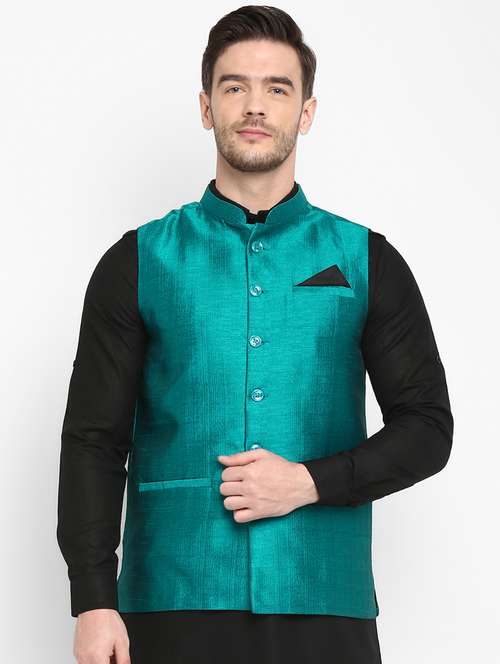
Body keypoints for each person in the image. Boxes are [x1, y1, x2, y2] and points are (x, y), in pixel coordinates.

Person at [56, 5, 454, 663]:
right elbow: (94, 439)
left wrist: (310, 482)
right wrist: (93, 598)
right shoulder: (138, 261)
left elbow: (428, 427)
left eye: (278, 88)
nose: (255, 106)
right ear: (206, 106)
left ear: (307, 112)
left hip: (324, 594)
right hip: (173, 595)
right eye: (234, 85)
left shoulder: (366, 260)